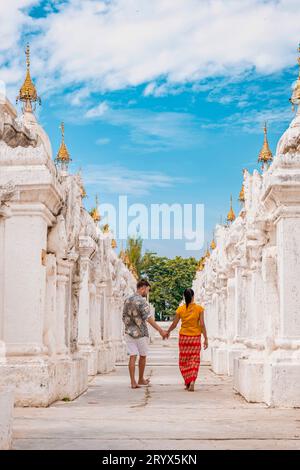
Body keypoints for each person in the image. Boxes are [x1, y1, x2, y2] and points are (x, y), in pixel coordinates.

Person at [122, 279, 168, 389]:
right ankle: (141, 379)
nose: (147, 292)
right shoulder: (142, 302)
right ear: (142, 288)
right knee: (142, 356)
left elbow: (123, 316)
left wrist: (130, 326)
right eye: (147, 290)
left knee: (132, 356)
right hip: (141, 333)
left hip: (129, 332)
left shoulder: (127, 300)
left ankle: (133, 382)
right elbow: (149, 318)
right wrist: (160, 330)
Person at [166, 288, 208, 392]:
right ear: (193, 296)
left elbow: (174, 324)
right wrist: (206, 338)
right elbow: (202, 325)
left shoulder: (180, 309)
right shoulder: (199, 309)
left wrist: (168, 331)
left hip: (184, 338)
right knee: (194, 360)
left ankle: (188, 381)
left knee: (184, 361)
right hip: (195, 338)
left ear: (184, 297)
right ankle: (192, 380)